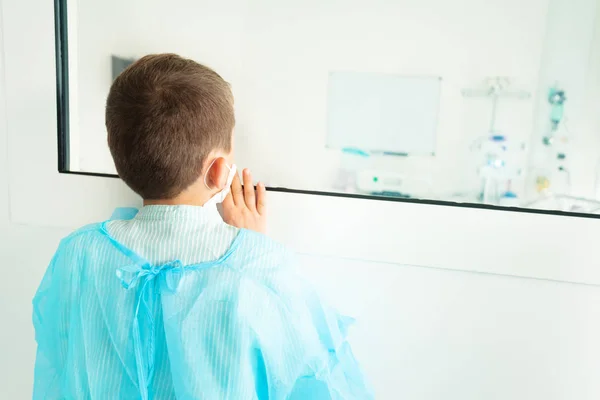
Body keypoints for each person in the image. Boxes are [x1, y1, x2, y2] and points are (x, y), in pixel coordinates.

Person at [32, 54, 372, 399]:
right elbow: (317, 378)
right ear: (218, 172)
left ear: (118, 157)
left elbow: (60, 364)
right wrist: (252, 250)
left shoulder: (78, 253)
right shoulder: (260, 266)